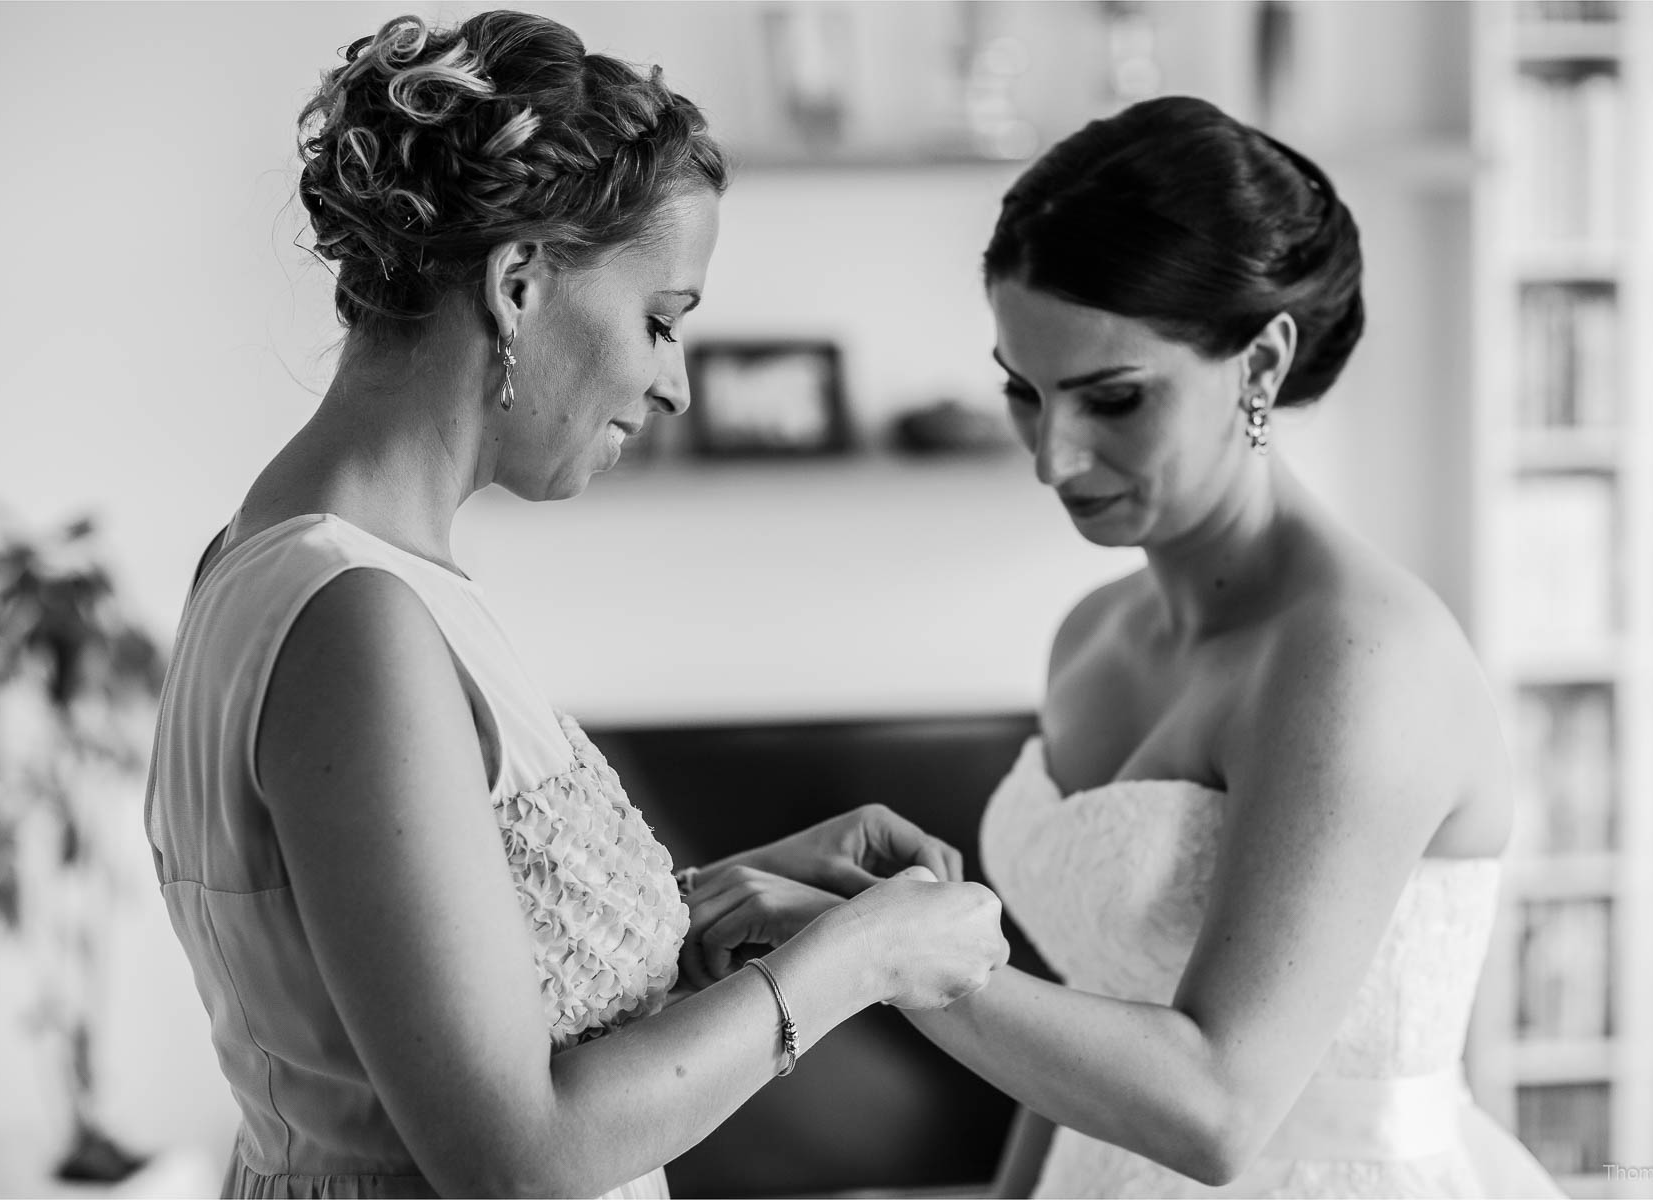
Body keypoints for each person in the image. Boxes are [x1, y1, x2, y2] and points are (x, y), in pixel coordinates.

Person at [142, 12, 1008, 1198]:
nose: (676, 384)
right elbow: (520, 1156)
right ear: (517, 282)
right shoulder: (358, 619)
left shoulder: (276, 562)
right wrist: (866, 958)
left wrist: (702, 898)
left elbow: (426, 978)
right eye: (661, 319)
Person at [678, 96, 1565, 1198]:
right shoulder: (1094, 637)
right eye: (1024, 392)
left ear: (1261, 364)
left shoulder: (1360, 662)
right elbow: (1086, 1021)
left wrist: (876, 951)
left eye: (1114, 398)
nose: (1054, 458)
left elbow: (1217, 1113)